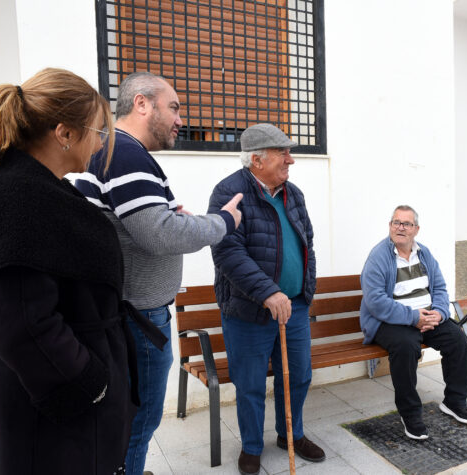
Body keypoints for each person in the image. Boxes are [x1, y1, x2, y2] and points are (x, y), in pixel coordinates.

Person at [0, 68, 167, 474]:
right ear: (65, 133)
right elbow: (23, 325)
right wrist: (92, 386)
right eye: (98, 131)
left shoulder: (44, 191)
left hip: (63, 388)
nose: (103, 142)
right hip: (50, 398)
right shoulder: (14, 200)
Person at [74, 71, 242, 475]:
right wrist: (223, 221)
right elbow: (158, 235)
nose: (180, 119)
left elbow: (142, 224)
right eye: (174, 107)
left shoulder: (118, 152)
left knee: (131, 419)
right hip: (139, 318)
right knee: (141, 419)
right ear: (142, 104)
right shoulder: (127, 153)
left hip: (129, 314)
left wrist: (169, 217)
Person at [207, 123, 324, 475]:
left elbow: (308, 243)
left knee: (299, 375)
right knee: (251, 383)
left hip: (295, 307)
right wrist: (268, 292)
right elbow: (227, 252)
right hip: (248, 311)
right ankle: (252, 446)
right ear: (257, 159)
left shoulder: (294, 193)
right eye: (282, 153)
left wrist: (305, 289)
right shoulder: (229, 192)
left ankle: (291, 434)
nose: (291, 159)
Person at [360, 205, 467, 440]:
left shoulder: (424, 254)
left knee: (457, 338)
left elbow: (440, 289)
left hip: (426, 316)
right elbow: (375, 302)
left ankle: (454, 401)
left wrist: (441, 313)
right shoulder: (379, 256)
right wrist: (413, 318)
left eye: (406, 224)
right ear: (390, 226)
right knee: (406, 346)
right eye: (396, 222)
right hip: (389, 321)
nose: (400, 228)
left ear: (416, 229)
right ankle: (410, 413)